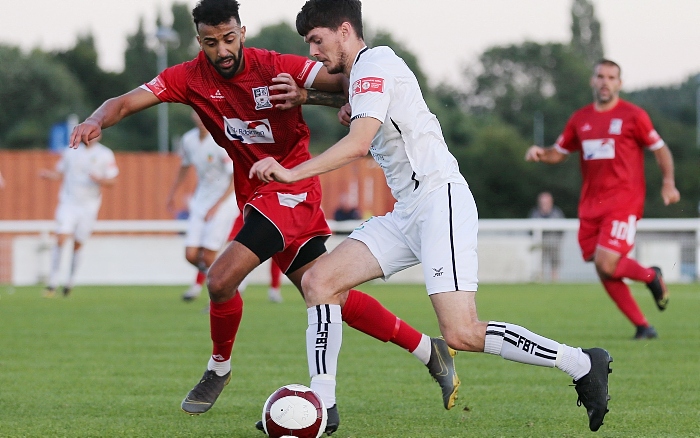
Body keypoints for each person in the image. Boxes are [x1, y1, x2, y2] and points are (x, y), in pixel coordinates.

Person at [69, 0, 459, 433]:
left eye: (230, 38)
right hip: (255, 195)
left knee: (219, 279)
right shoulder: (187, 77)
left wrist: (309, 96)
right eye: (211, 42)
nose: (222, 50)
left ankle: (219, 368)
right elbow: (123, 103)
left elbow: (352, 79)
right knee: (327, 292)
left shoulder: (277, 67)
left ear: (243, 31)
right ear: (200, 41)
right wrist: (95, 119)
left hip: (291, 190)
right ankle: (429, 349)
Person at [249, 0, 613, 432]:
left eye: (316, 40)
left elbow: (358, 143)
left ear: (344, 30)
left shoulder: (376, 63)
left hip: (441, 202)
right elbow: (358, 105)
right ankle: (324, 407)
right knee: (319, 281)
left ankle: (582, 363)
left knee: (461, 333)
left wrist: (292, 173)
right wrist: (312, 96)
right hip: (408, 212)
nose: (312, 52)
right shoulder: (365, 73)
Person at [525, 59, 680, 340]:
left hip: (624, 201)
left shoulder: (634, 115)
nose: (605, 81)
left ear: (619, 83)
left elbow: (660, 149)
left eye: (611, 77)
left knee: (606, 263)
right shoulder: (580, 119)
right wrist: (541, 153)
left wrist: (668, 182)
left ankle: (650, 277)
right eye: (600, 76)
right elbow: (559, 152)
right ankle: (644, 326)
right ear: (592, 81)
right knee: (603, 268)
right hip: (591, 205)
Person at [166, 111, 239, 302]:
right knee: (190, 255)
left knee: (208, 256)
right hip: (201, 201)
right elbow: (184, 166)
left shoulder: (221, 140)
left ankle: (217, 296)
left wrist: (216, 206)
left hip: (224, 202)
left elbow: (235, 178)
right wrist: (173, 193)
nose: (200, 117)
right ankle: (228, 279)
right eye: (196, 113)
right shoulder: (188, 139)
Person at [39, 136, 119, 297]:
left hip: (89, 206)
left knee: (78, 243)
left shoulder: (105, 154)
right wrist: (49, 175)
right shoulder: (70, 152)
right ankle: (53, 282)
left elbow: (113, 181)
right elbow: (61, 174)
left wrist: (100, 180)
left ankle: (70, 281)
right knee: (61, 238)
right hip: (68, 203)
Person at [528, 191, 565, 282]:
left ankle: (554, 280)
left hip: (554, 242)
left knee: (554, 263)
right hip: (540, 242)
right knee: (540, 263)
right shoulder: (535, 213)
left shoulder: (557, 213)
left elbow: (562, 229)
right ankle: (541, 280)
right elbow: (530, 229)